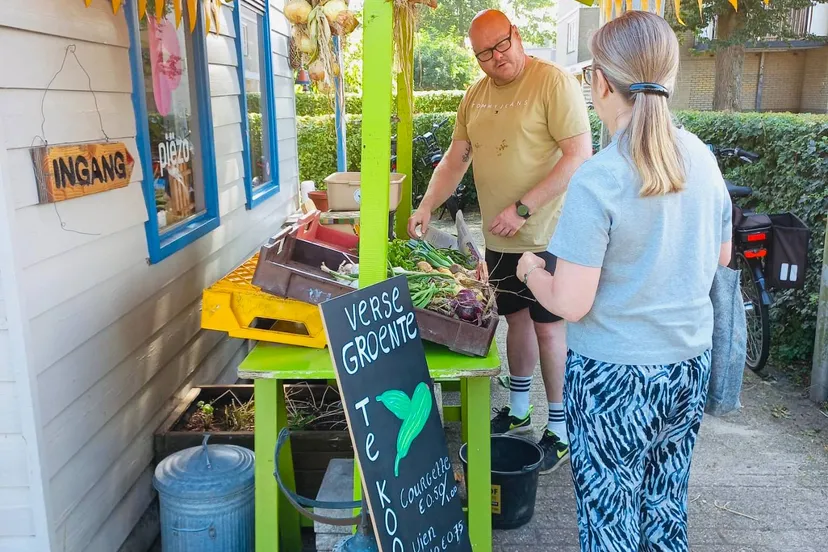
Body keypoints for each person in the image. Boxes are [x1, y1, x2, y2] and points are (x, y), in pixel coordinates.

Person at [515, 11, 733, 551]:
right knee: (664, 504)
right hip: (687, 366)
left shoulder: (601, 177)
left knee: (610, 517)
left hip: (615, 376)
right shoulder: (703, 160)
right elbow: (723, 256)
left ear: (601, 84)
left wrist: (531, 272)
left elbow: (570, 302)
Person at [408, 9, 592, 473]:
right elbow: (455, 159)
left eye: (501, 45)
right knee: (515, 322)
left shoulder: (552, 83)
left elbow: (578, 156)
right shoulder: (475, 96)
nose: (496, 58)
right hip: (500, 239)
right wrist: (427, 205)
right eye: (484, 54)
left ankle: (560, 428)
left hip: (548, 234)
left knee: (550, 328)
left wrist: (523, 208)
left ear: (518, 36)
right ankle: (518, 410)